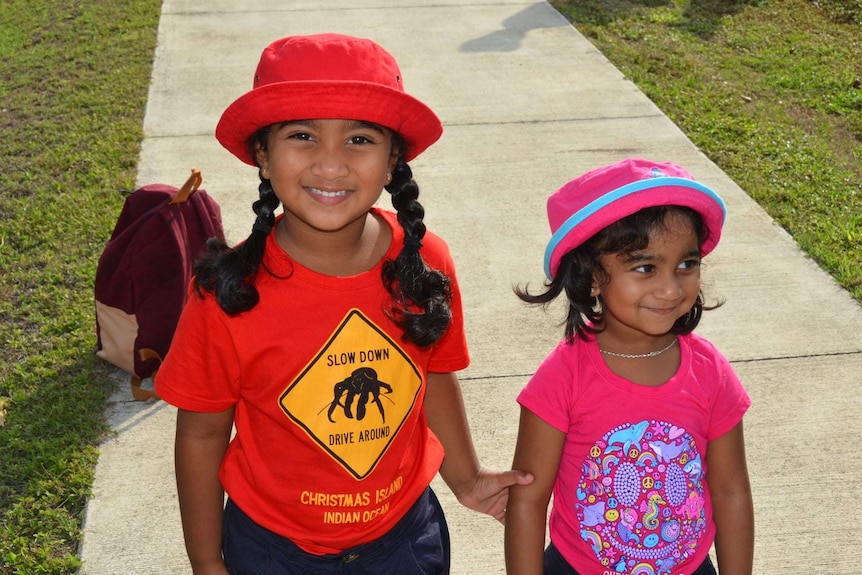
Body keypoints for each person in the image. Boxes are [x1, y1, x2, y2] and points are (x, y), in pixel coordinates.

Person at [155, 33, 532, 575]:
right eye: (302, 135)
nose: (330, 166)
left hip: (406, 540)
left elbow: (435, 376)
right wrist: (205, 561)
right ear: (262, 154)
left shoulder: (426, 263)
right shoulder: (226, 293)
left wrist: (468, 480)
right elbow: (201, 432)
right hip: (269, 551)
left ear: (394, 157)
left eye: (359, 139)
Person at [504, 158, 754, 575]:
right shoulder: (563, 377)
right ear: (592, 277)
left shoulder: (710, 372)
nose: (671, 288)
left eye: (686, 265)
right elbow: (528, 500)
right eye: (645, 267)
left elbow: (730, 491)